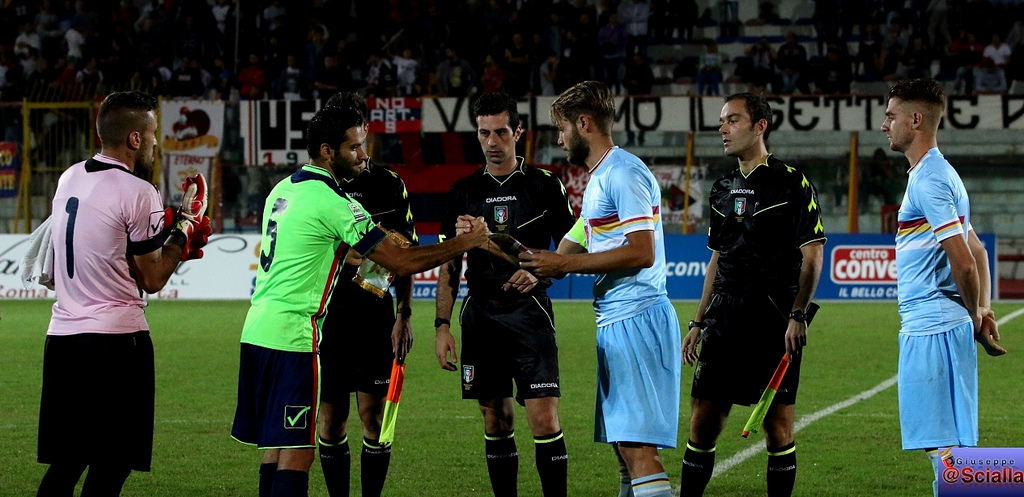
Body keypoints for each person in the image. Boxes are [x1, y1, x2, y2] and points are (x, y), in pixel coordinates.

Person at [231, 105, 490, 497]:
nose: (363, 155)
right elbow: (401, 260)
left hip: (256, 331)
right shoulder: (334, 202)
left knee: (276, 448)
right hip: (293, 338)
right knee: (298, 454)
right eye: (353, 147)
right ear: (327, 151)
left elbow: (322, 247)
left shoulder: (281, 190)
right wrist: (465, 242)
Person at [36, 90, 211, 495]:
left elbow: (108, 243)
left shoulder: (70, 176)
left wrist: (167, 230)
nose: (155, 142)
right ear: (135, 138)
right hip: (115, 343)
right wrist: (184, 229)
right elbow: (152, 278)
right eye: (152, 133)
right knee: (111, 466)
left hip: (62, 339)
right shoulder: (139, 191)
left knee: (65, 466)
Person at [520, 80, 682, 497]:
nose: (559, 139)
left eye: (562, 129)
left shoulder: (624, 173)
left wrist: (562, 265)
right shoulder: (600, 178)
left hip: (638, 317)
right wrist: (531, 266)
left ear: (584, 124)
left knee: (637, 448)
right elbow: (575, 238)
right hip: (618, 320)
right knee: (624, 449)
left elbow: (642, 251)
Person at [678, 92, 827, 497]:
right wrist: (698, 321)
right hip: (724, 318)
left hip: (773, 319)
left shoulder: (792, 182)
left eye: (733, 120)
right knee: (702, 422)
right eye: (721, 121)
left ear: (760, 126)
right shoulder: (721, 188)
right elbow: (717, 259)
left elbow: (813, 254)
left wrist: (798, 314)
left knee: (777, 428)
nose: (723, 129)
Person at [434, 91, 576, 497]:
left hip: (530, 314)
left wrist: (539, 274)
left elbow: (575, 244)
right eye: (484, 133)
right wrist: (442, 325)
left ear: (518, 131)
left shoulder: (544, 185)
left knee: (544, 420)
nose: (492, 141)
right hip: (481, 316)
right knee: (494, 419)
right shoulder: (462, 191)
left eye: (500, 132)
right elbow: (449, 264)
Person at [880, 78, 1005, 497]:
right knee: (948, 446)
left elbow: (965, 259)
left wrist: (975, 314)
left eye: (891, 116)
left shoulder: (929, 181)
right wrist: (981, 310)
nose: (885, 125)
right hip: (939, 323)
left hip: (932, 324)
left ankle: (1009, 482)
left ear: (915, 120)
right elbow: (979, 251)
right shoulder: (941, 174)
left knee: (944, 449)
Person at [315, 91, 418, 497]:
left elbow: (406, 254)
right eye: (352, 144)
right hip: (328, 319)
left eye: (363, 141)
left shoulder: (388, 185)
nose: (360, 152)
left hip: (375, 317)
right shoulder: (318, 188)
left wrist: (404, 314)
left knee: (373, 419)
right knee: (330, 421)